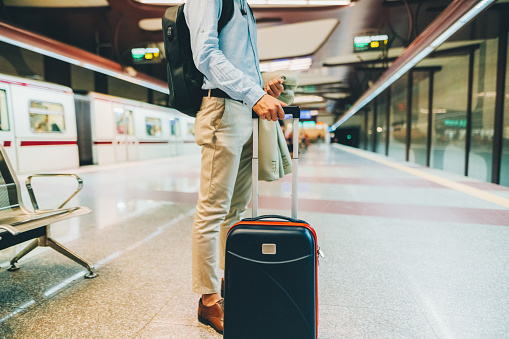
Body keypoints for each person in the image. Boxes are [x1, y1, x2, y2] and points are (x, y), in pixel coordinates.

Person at [185, 0, 286, 334]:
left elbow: (235, 59)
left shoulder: (241, 4)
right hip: (222, 110)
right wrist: (253, 92)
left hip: (243, 110)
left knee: (236, 211)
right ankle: (208, 300)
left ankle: (232, 282)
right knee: (212, 210)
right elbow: (206, 54)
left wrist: (261, 82)